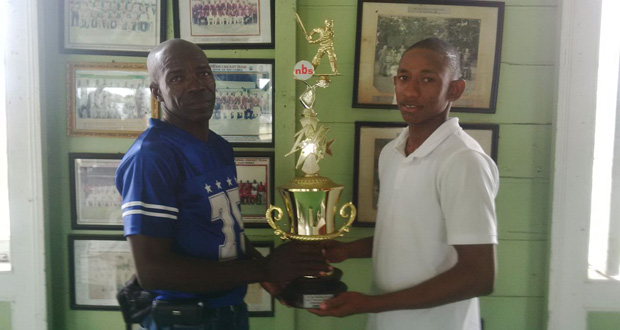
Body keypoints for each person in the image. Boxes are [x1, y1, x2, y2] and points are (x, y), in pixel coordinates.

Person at [115, 39, 329, 330]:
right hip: (185, 319)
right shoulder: (152, 157)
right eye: (177, 77)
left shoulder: (218, 146)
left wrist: (271, 277)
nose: (195, 85)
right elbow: (153, 272)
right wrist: (263, 267)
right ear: (157, 92)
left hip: (228, 312)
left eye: (203, 73)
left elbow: (223, 231)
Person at [310, 38, 499, 330]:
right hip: (387, 321)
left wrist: (371, 303)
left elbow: (479, 275)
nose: (410, 91)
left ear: (455, 89)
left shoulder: (463, 161)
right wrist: (349, 250)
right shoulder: (393, 152)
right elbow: (407, 238)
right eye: (403, 77)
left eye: (427, 79)